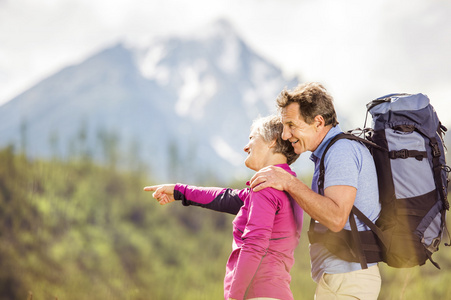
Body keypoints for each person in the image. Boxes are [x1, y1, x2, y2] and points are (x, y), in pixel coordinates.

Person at [144, 115, 303, 300]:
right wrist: (179, 191)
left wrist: (234, 297)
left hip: (257, 293)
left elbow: (254, 246)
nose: (246, 146)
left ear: (272, 141)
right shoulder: (288, 186)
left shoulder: (265, 186)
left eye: (252, 138)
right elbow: (226, 197)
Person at [249, 82, 382, 299]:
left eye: (291, 125)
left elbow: (337, 217)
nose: (285, 135)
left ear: (318, 122)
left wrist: (289, 183)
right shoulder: (333, 151)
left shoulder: (341, 151)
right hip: (342, 279)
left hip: (347, 280)